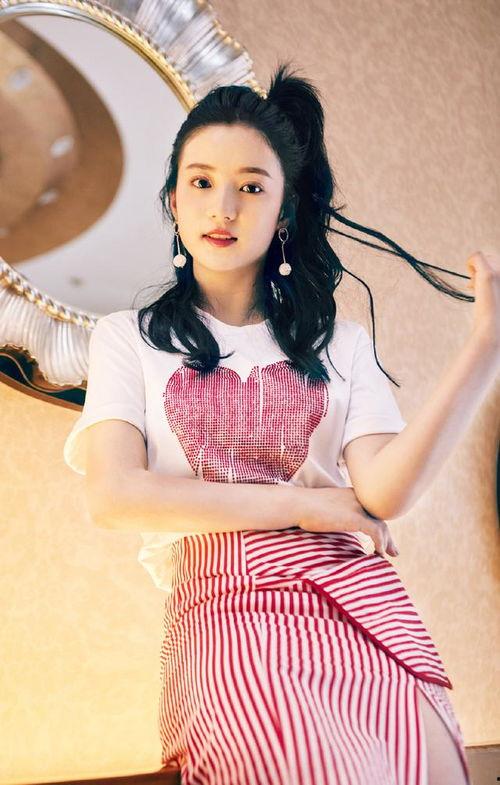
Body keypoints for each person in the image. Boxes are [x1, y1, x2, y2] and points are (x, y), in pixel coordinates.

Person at [63, 62, 499, 785]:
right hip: (226, 606)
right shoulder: (127, 338)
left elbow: (384, 493)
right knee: (302, 763)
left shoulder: (341, 344)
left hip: (360, 604)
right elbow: (115, 496)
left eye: (251, 187)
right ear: (173, 200)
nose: (223, 207)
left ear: (285, 211)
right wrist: (302, 504)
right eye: (202, 182)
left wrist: (486, 347)